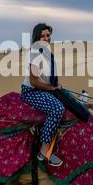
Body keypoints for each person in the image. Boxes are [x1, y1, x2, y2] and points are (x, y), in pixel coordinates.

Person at [20, 23, 64, 167]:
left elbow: (47, 77)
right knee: (57, 109)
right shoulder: (35, 53)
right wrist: (51, 88)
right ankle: (44, 152)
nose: (46, 38)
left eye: (48, 35)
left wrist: (57, 87)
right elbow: (33, 82)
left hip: (44, 89)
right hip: (32, 91)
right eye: (42, 36)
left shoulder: (46, 53)